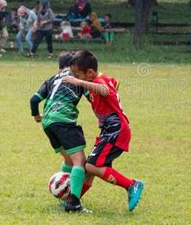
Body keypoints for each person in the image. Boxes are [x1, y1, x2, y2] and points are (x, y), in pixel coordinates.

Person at [61, 50, 145, 212]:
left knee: (91, 166)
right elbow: (115, 82)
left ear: (90, 73)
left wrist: (80, 83)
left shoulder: (99, 81)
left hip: (116, 130)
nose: (77, 78)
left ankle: (132, 185)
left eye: (78, 75)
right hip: (109, 131)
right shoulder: (102, 79)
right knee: (89, 168)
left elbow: (105, 90)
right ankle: (73, 202)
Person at [30, 51, 89, 213]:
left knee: (69, 160)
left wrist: (36, 116)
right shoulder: (78, 77)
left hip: (48, 122)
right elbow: (92, 96)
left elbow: (34, 100)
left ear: (59, 67)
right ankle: (74, 204)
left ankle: (64, 192)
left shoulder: (52, 79)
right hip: (63, 121)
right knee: (79, 162)